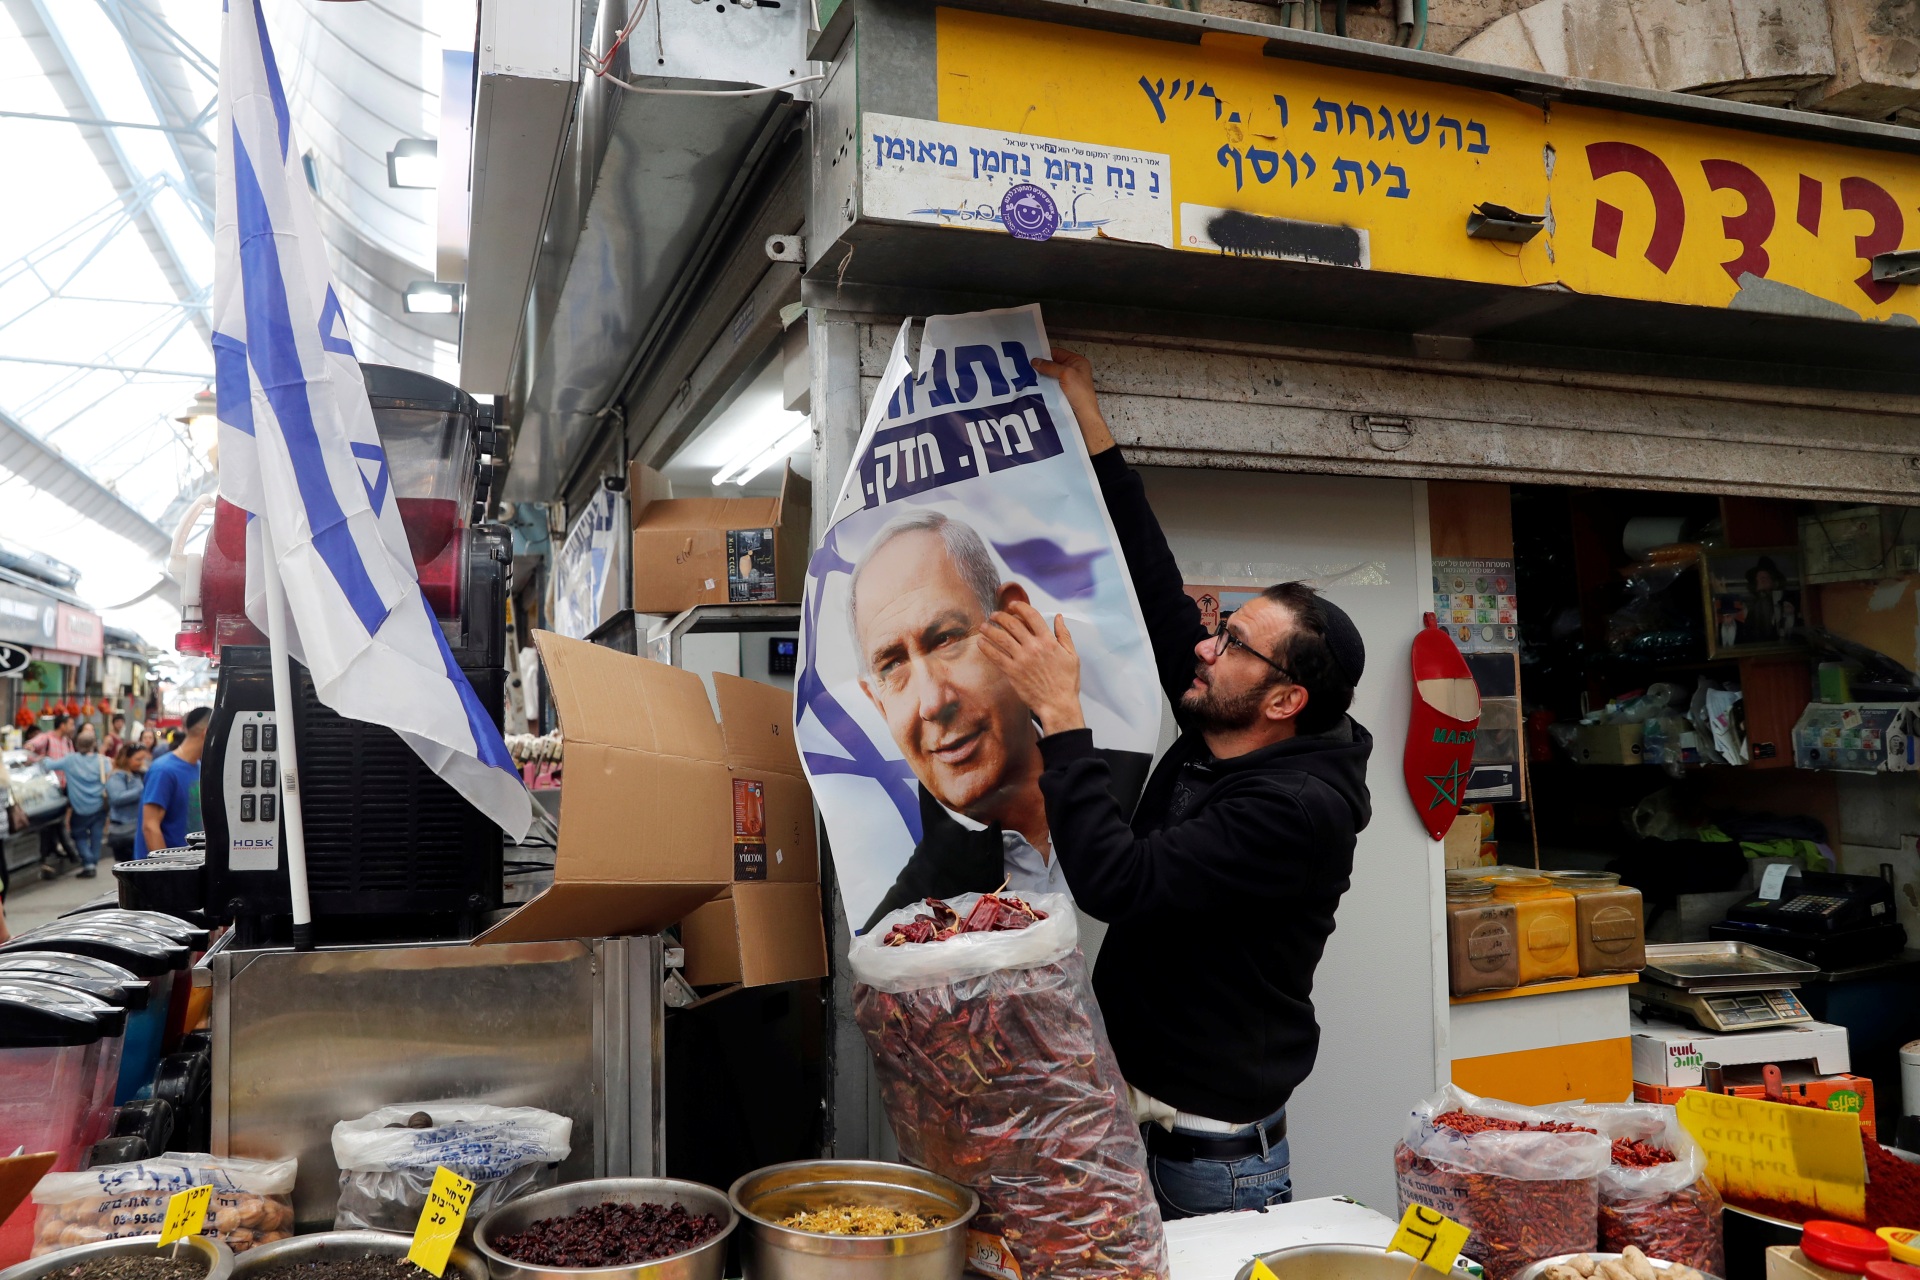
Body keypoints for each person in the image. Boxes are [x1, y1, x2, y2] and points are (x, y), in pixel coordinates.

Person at [975, 350, 1373, 1219]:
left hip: (1210, 1159)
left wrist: (1061, 713)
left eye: (1233, 644)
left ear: (1285, 700)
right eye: (1223, 628)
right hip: (1134, 1115)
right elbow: (1154, 584)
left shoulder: (1295, 812)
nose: (1206, 646)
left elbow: (1118, 882)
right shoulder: (1223, 717)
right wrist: (1088, 418)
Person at [850, 511, 1148, 930]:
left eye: (946, 639)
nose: (932, 702)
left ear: (1015, 622)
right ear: (878, 704)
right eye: (893, 665)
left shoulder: (1153, 794)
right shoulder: (902, 933)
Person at [137, 707, 207, 858]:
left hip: (190, 864)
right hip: (170, 867)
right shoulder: (163, 770)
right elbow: (150, 826)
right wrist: (168, 867)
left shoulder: (199, 767)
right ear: (206, 733)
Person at [48, 724, 109, 878]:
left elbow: (49, 765)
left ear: (76, 744)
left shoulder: (70, 760)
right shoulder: (103, 761)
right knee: (96, 835)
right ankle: (93, 860)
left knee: (78, 834)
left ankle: (88, 862)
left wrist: (39, 757)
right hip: (99, 806)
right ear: (94, 744)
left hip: (79, 807)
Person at [105, 744, 151, 863]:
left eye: (143, 759)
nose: (141, 763)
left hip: (137, 828)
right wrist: (141, 791)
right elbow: (116, 798)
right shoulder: (116, 776)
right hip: (124, 829)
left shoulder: (140, 773)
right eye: (138, 759)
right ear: (126, 759)